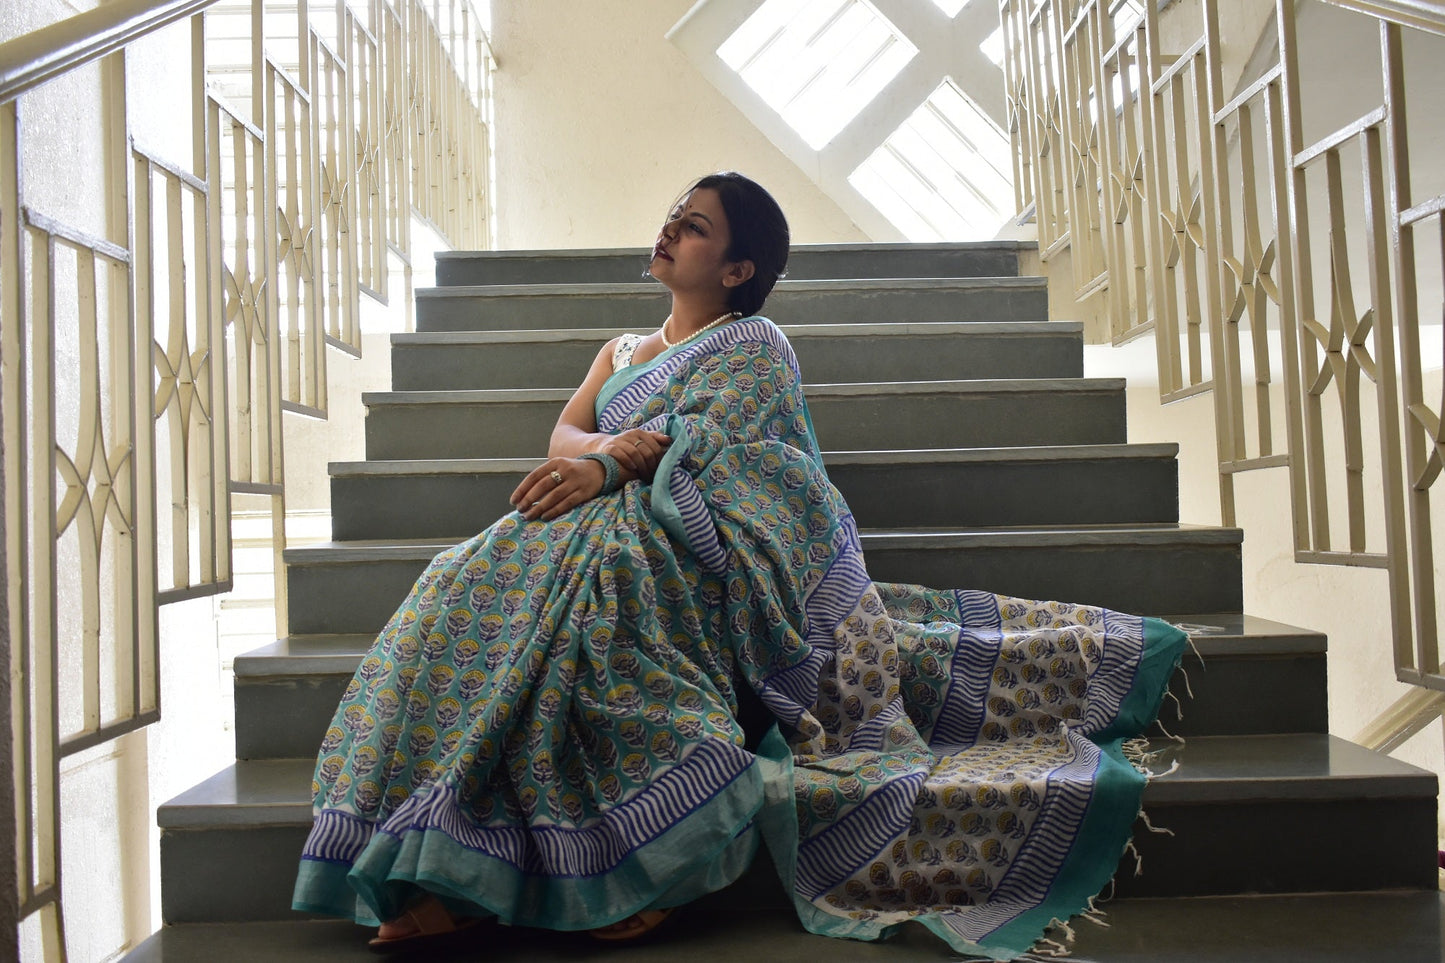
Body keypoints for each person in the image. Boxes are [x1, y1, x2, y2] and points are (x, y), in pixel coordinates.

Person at [292, 172, 1187, 959]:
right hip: (576, 519)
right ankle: (439, 852)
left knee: (607, 598)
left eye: (696, 226)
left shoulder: (753, 345)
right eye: (673, 215)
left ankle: (647, 855)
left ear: (736, 271)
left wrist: (624, 459)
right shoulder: (621, 351)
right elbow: (563, 431)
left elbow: (746, 456)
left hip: (681, 537)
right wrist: (602, 450)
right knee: (453, 583)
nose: (670, 229)